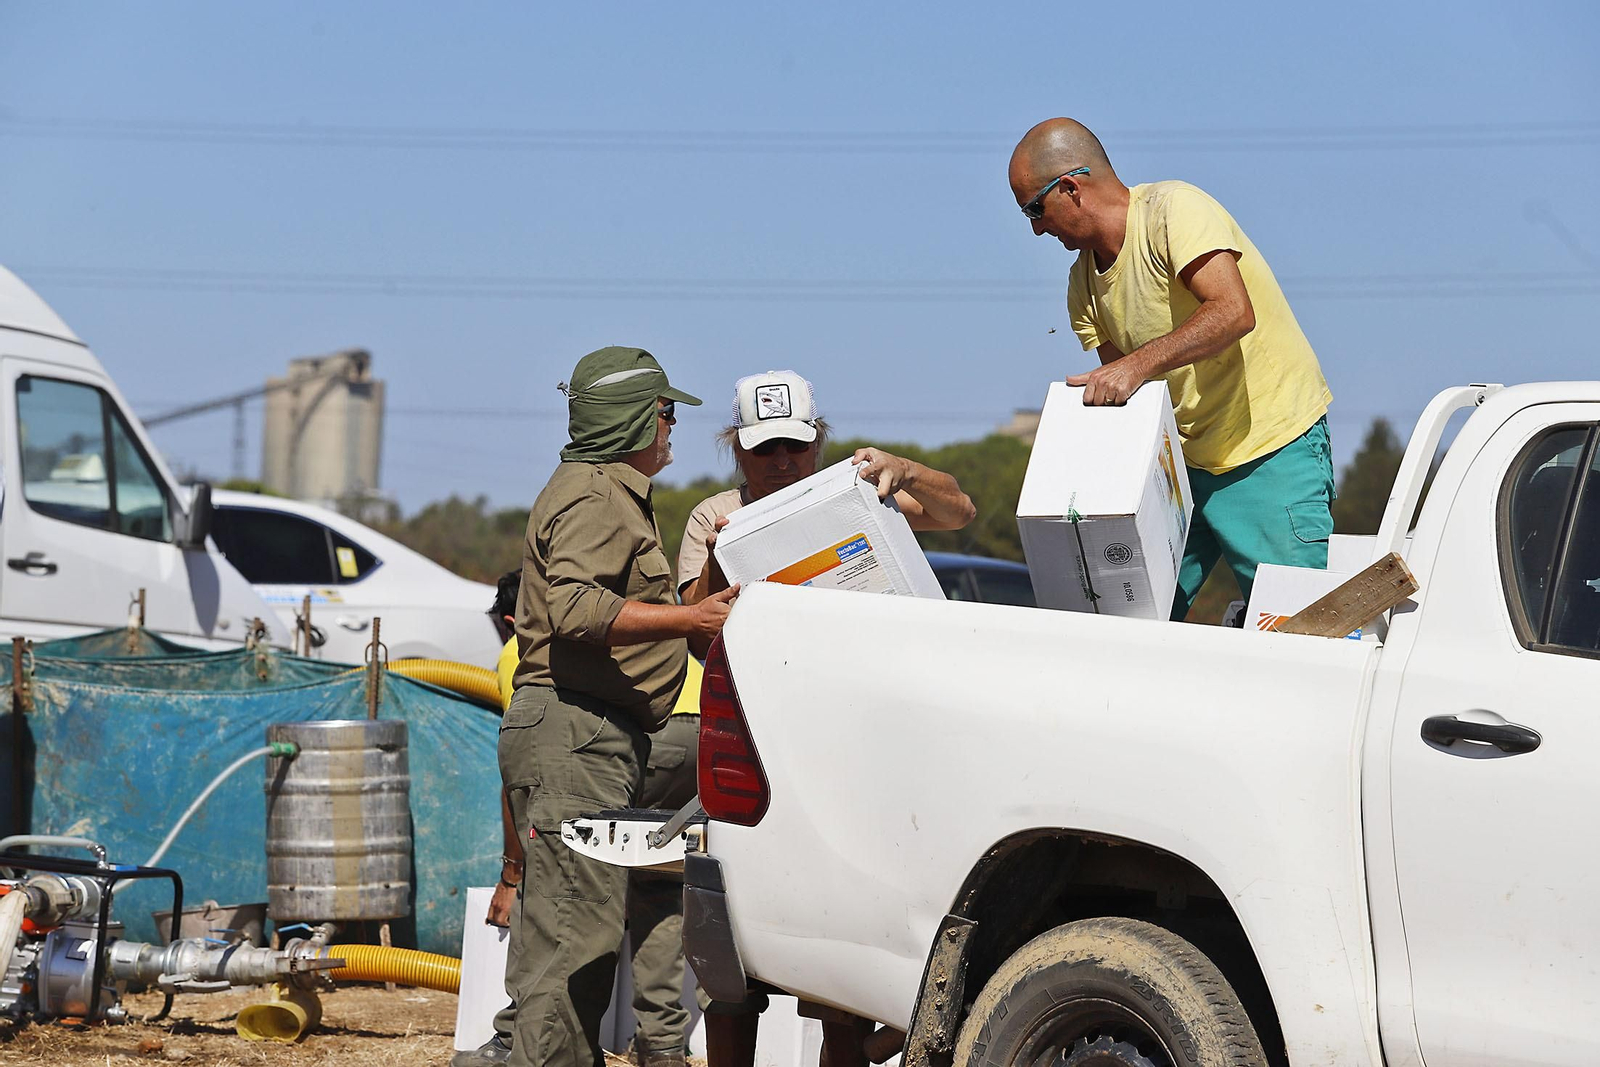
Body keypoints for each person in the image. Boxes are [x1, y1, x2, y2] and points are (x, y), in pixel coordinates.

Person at [676, 370, 974, 1067]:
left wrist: (907, 471)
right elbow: (696, 628)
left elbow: (958, 509)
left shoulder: (854, 487)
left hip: (851, 745)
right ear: (737, 450)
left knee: (847, 966)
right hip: (754, 744)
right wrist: (724, 557)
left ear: (818, 442)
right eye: (765, 450)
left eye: (795, 448)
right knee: (733, 967)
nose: (782, 463)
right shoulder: (714, 514)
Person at [500, 346, 737, 1067]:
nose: (671, 427)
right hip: (574, 733)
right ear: (635, 417)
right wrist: (688, 623)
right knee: (573, 939)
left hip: (586, 733)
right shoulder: (595, 494)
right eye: (665, 412)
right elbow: (574, 607)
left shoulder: (601, 491)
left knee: (577, 936)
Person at [1008, 117, 1335, 620]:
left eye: (1035, 208)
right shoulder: (1082, 285)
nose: (1035, 227)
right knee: (1125, 620)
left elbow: (1232, 311)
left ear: (1070, 187)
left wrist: (1136, 366)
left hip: (1267, 448)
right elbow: (1126, 399)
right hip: (1179, 471)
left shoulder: (1173, 210)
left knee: (1301, 631)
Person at [458, 566, 701, 1067]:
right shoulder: (627, 628)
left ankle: (513, 1034)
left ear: (514, 618)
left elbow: (524, 777)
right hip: (698, 734)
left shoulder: (523, 650)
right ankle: (662, 1045)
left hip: (648, 741)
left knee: (552, 874)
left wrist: (512, 872)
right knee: (658, 885)